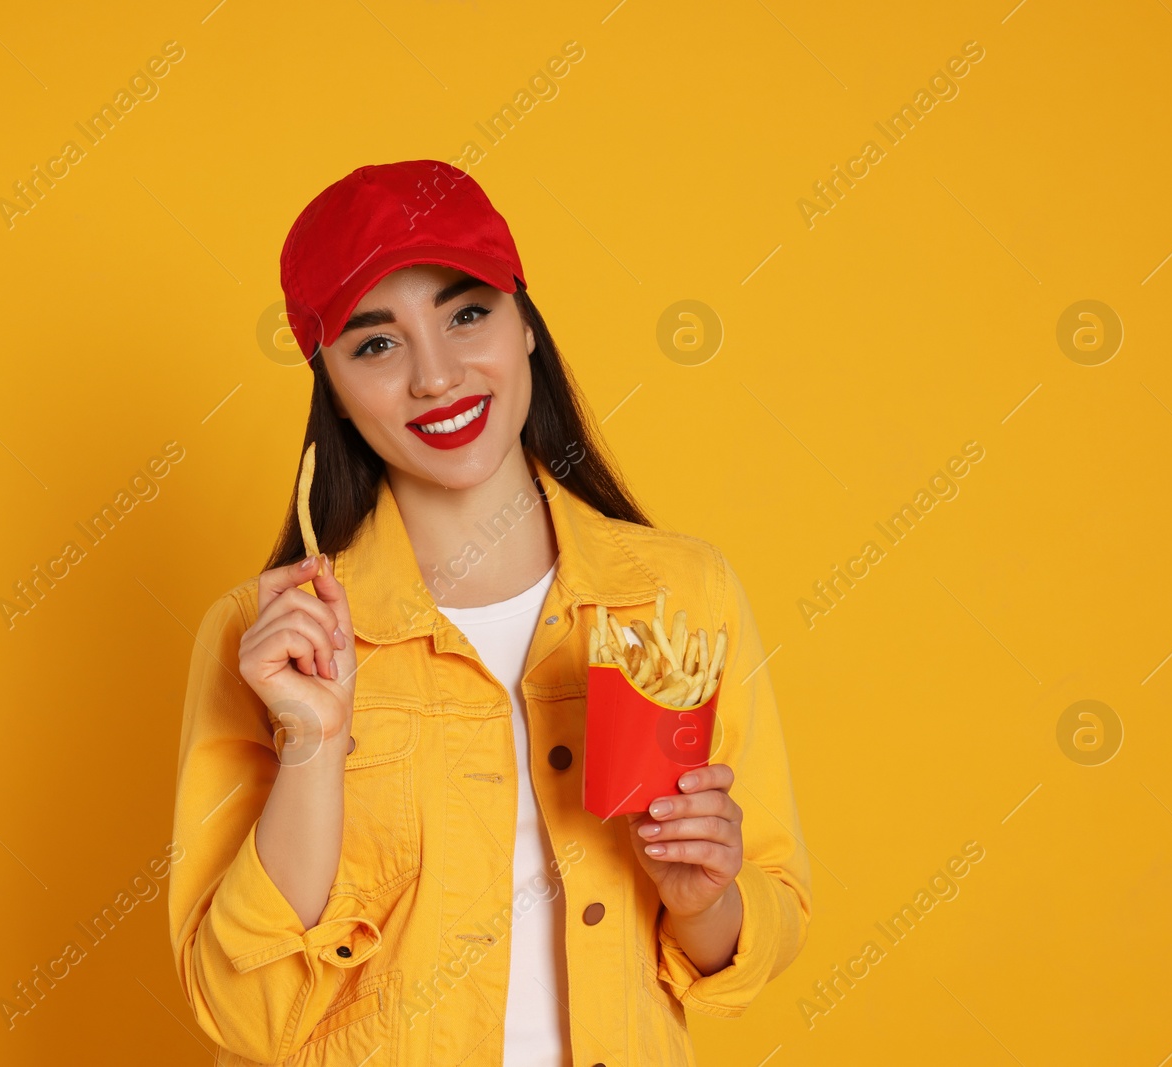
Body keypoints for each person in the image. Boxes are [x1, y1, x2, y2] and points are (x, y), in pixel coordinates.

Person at [167, 159, 811, 1066]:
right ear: (335, 393)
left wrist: (702, 899)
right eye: (376, 343)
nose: (436, 375)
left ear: (527, 328)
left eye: (467, 313)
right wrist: (312, 743)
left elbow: (765, 926)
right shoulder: (266, 641)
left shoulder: (678, 595)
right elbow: (241, 1016)